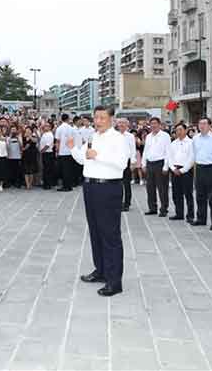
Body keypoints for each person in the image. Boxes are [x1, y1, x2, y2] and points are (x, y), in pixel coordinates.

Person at [69, 105, 128, 297]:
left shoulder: (118, 139)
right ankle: (101, 270)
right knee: (95, 231)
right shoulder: (93, 137)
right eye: (96, 117)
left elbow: (121, 163)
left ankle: (114, 281)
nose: (98, 121)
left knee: (110, 234)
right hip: (90, 187)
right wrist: (73, 150)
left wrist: (98, 156)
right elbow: (85, 159)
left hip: (108, 188)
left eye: (103, 118)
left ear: (111, 119)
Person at [192, 118, 212, 229]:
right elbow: (194, 154)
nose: (202, 125)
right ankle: (201, 218)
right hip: (200, 168)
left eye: (204, 123)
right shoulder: (195, 138)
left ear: (210, 125)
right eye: (200, 123)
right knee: (200, 195)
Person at [141, 117, 170, 216]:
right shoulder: (148, 136)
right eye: (151, 124)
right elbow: (145, 151)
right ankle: (152, 208)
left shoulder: (165, 136)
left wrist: (166, 166)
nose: (153, 125)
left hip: (160, 163)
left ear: (159, 124)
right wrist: (143, 164)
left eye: (155, 123)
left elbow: (168, 152)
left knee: (162, 188)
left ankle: (164, 209)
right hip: (150, 164)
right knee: (150, 187)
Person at [167, 123, 195, 222]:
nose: (178, 132)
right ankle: (179, 213)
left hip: (186, 170)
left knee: (188, 193)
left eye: (180, 129)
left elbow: (192, 158)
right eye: (177, 130)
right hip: (175, 170)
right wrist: (173, 168)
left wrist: (182, 170)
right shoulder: (173, 143)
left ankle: (190, 215)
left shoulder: (191, 143)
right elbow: (169, 157)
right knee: (176, 193)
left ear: (186, 130)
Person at [118, 119, 136, 212]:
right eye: (120, 123)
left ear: (127, 125)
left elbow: (133, 149)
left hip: (127, 162)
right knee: (117, 184)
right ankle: (118, 202)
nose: (121, 125)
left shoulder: (130, 136)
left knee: (126, 184)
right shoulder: (114, 136)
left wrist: (133, 162)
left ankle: (127, 203)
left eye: (123, 123)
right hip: (117, 162)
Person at [55, 114, 75, 191]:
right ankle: (69, 185)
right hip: (70, 151)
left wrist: (57, 151)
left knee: (63, 170)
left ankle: (65, 186)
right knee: (69, 169)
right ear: (67, 119)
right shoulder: (71, 128)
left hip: (62, 152)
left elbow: (57, 141)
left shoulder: (59, 128)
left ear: (61, 119)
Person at [39, 122, 56, 190]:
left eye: (47, 126)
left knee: (48, 169)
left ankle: (48, 184)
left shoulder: (50, 135)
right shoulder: (44, 134)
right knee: (45, 169)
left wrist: (41, 151)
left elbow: (47, 145)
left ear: (50, 127)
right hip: (45, 153)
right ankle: (45, 183)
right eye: (45, 126)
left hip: (48, 153)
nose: (45, 127)